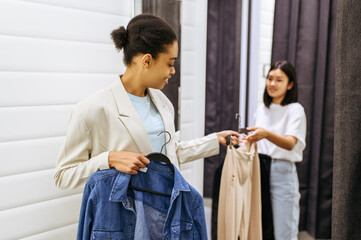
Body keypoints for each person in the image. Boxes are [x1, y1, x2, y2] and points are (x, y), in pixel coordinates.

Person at [54, 13, 240, 190]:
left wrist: (213, 140)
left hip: (165, 208)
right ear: (147, 61)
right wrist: (109, 159)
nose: (173, 71)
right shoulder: (91, 110)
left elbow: (169, 153)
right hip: (122, 218)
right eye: (170, 63)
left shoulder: (163, 102)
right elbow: (63, 176)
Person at [244, 60, 306, 240]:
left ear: (290, 84)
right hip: (259, 169)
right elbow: (258, 140)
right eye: (270, 78)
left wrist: (265, 134)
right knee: (260, 229)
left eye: (279, 80)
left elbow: (290, 143)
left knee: (284, 232)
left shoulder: (295, 110)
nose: (272, 84)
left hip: (282, 172)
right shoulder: (262, 109)